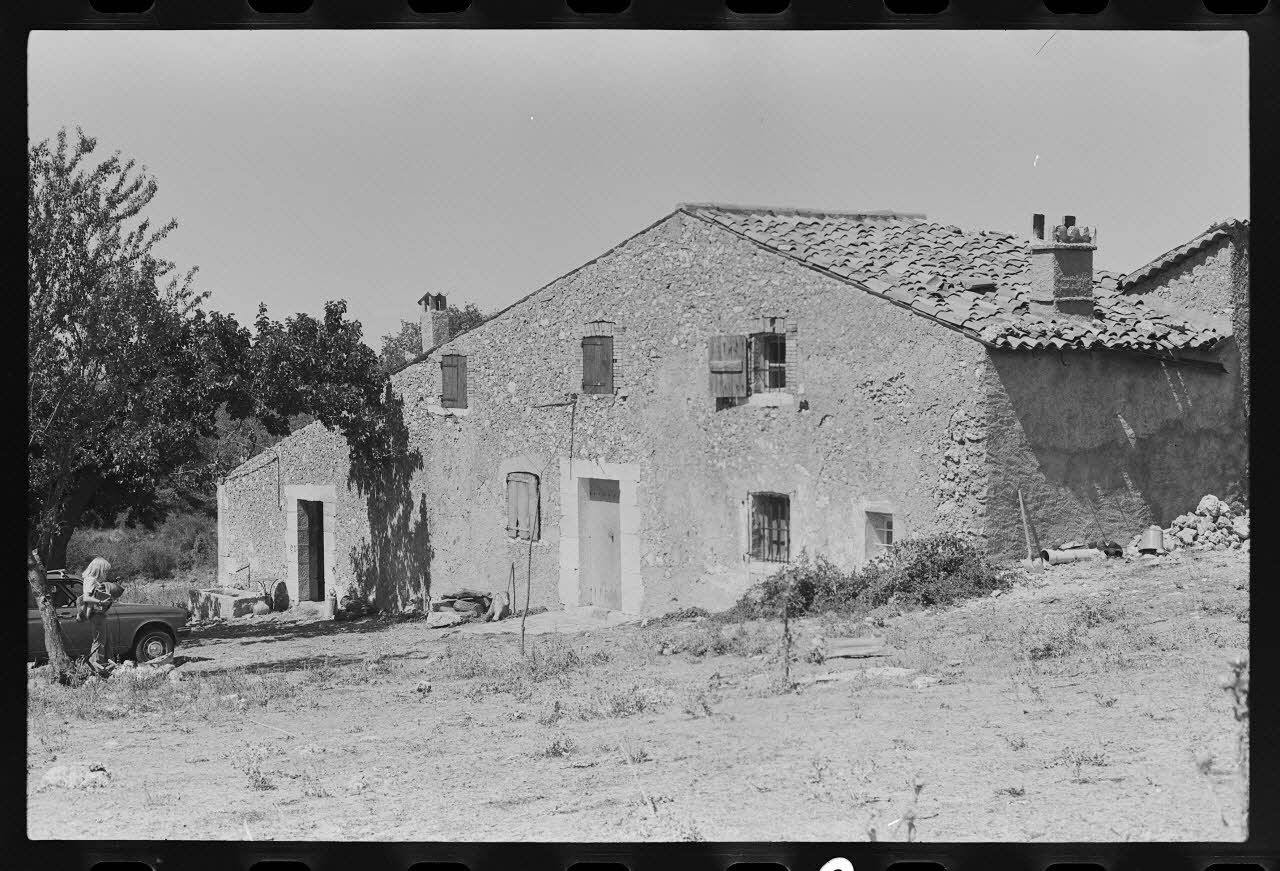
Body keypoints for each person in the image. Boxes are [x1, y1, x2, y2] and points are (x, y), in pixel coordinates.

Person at [78, 557, 122, 675]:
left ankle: (107, 668)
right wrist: (101, 602)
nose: (106, 573)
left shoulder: (94, 580)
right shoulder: (90, 580)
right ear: (99, 569)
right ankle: (96, 669)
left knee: (107, 641)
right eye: (105, 571)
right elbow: (87, 598)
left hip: (101, 614)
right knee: (99, 642)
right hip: (96, 615)